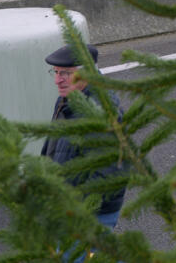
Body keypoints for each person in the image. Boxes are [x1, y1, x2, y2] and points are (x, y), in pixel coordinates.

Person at [42, 44, 127, 234]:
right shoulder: (67, 98)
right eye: (55, 72)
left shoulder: (100, 111)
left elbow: (107, 175)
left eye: (65, 73)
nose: (57, 80)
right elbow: (52, 148)